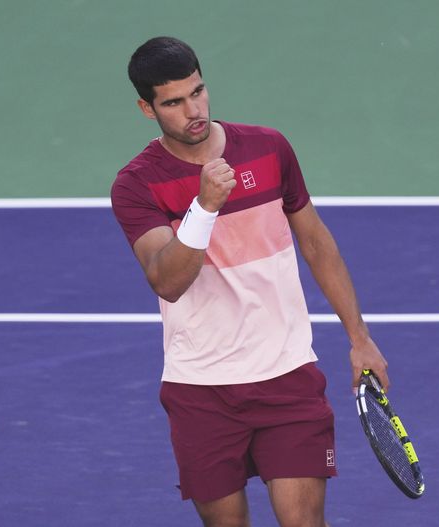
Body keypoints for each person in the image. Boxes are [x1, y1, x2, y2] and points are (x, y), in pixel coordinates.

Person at [111, 36, 389, 527]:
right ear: (146, 108)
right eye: (173, 102)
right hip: (201, 390)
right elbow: (167, 281)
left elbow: (317, 244)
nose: (192, 110)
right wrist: (204, 208)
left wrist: (359, 338)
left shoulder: (268, 147)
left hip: (286, 375)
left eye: (197, 92)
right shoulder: (137, 184)